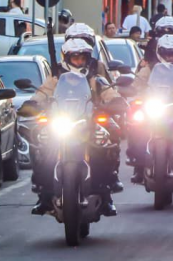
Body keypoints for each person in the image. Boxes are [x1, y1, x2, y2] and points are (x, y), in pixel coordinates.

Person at [24, 38, 126, 217]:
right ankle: (44, 195)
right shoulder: (55, 79)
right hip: (61, 122)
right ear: (67, 58)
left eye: (82, 58)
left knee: (105, 147)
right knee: (41, 145)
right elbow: (41, 93)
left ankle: (106, 193)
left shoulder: (95, 79)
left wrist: (117, 101)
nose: (79, 62)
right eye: (75, 58)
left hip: (88, 123)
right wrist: (31, 103)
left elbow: (110, 93)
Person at [128, 34, 173, 184]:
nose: (170, 57)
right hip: (154, 107)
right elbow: (136, 84)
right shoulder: (149, 69)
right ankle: (139, 165)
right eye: (167, 54)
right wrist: (132, 92)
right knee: (136, 126)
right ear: (160, 53)